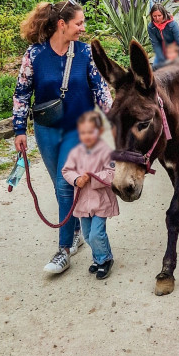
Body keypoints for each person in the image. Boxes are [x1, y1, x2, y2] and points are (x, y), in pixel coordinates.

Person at [13, 0, 113, 275]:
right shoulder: (34, 55)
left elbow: (101, 90)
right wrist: (19, 129)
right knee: (62, 188)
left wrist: (112, 120)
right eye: (78, 23)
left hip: (78, 130)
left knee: (63, 183)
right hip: (46, 130)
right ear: (62, 25)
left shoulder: (85, 54)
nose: (83, 28)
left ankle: (64, 249)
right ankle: (77, 228)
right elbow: (22, 93)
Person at [62, 111, 118, 280]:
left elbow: (112, 173)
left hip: (101, 202)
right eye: (83, 132)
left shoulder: (106, 152)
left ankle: (105, 259)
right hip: (82, 203)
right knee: (87, 234)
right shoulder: (76, 152)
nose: (87, 136)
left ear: (99, 132)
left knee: (96, 234)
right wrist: (77, 179)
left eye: (91, 132)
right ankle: (98, 257)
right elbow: (66, 170)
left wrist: (93, 178)